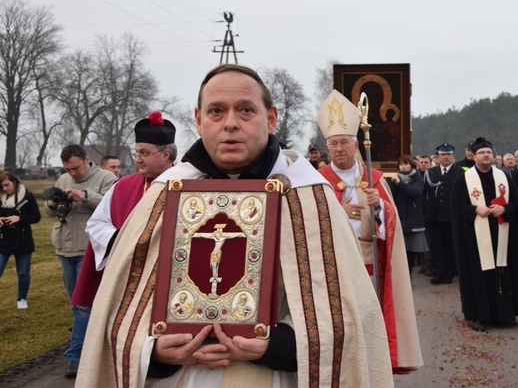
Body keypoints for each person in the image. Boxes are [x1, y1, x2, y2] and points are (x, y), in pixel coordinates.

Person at [78, 65, 393, 387]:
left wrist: (278, 345)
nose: (230, 123)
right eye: (216, 111)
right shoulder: (165, 193)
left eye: (245, 110)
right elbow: (120, 316)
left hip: (273, 375)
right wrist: (155, 354)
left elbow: (349, 318)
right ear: (198, 120)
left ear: (270, 118)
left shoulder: (308, 197)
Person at [317, 89, 422, 373]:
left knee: (368, 317)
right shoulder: (318, 182)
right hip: (334, 265)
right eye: (333, 144)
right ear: (328, 149)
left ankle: (373, 365)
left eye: (344, 143)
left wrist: (379, 209)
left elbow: (390, 227)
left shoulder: (373, 180)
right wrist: (339, 211)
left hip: (368, 262)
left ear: (355, 145)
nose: (339, 149)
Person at [67, 113, 177, 378]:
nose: (137, 158)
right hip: (129, 277)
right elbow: (96, 225)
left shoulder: (191, 184)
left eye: (144, 152)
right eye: (136, 151)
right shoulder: (123, 186)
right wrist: (120, 239)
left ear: (166, 155)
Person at [44, 144, 116, 377]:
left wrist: (85, 196)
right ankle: (96, 341)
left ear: (87, 160)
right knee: (76, 304)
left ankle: (75, 356)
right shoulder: (63, 179)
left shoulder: (106, 177)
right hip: (64, 247)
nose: (72, 173)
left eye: (75, 168)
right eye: (68, 169)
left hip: (89, 249)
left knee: (84, 305)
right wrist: (53, 203)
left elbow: (113, 207)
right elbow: (50, 212)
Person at [452, 137, 518, 331]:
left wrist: (504, 209)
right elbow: (456, 209)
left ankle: (504, 314)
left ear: (494, 155)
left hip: (502, 234)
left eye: (489, 152)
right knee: (479, 274)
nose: (486, 155)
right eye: (481, 152)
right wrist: (474, 210)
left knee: (502, 272)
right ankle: (478, 315)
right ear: (474, 156)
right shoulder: (464, 179)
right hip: (475, 239)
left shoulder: (504, 178)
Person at [0, 171, 41, 309]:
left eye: (7, 185)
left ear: (14, 182)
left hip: (23, 240)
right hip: (3, 240)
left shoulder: (27, 196)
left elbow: (36, 216)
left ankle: (22, 299)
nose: (5, 189)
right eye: (2, 186)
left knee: (23, 272)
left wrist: (19, 218)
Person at [423, 142, 462, 285]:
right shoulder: (431, 173)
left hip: (451, 216)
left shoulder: (459, 172)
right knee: (436, 245)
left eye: (448, 155)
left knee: (450, 245)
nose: (446, 157)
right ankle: (437, 273)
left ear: (452, 156)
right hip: (434, 216)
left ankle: (448, 273)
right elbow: (425, 192)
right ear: (438, 157)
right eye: (443, 155)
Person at [388, 155, 428, 274]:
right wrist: (394, 184)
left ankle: (409, 274)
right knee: (401, 250)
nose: (403, 167)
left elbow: (414, 193)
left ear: (411, 165)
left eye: (405, 164)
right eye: (400, 164)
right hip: (400, 217)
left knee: (411, 250)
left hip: (414, 218)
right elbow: (391, 197)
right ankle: (401, 276)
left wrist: (400, 184)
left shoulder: (418, 178)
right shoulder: (394, 178)